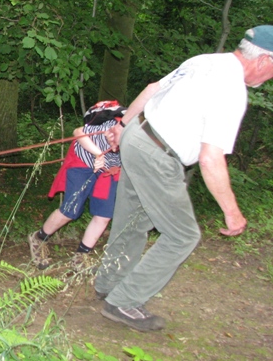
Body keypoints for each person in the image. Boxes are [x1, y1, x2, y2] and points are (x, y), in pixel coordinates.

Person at [94, 25, 273, 332]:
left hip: (138, 134)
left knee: (133, 221)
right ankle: (123, 301)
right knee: (182, 236)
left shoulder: (204, 61)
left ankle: (109, 283)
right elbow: (210, 158)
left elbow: (153, 88)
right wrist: (232, 212)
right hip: (157, 154)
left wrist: (121, 126)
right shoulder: (231, 90)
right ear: (265, 60)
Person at [28, 101, 126, 271]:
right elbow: (78, 132)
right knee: (71, 210)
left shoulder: (140, 141)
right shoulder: (110, 126)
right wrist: (97, 154)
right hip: (83, 161)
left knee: (104, 215)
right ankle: (38, 238)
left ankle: (81, 256)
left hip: (109, 170)